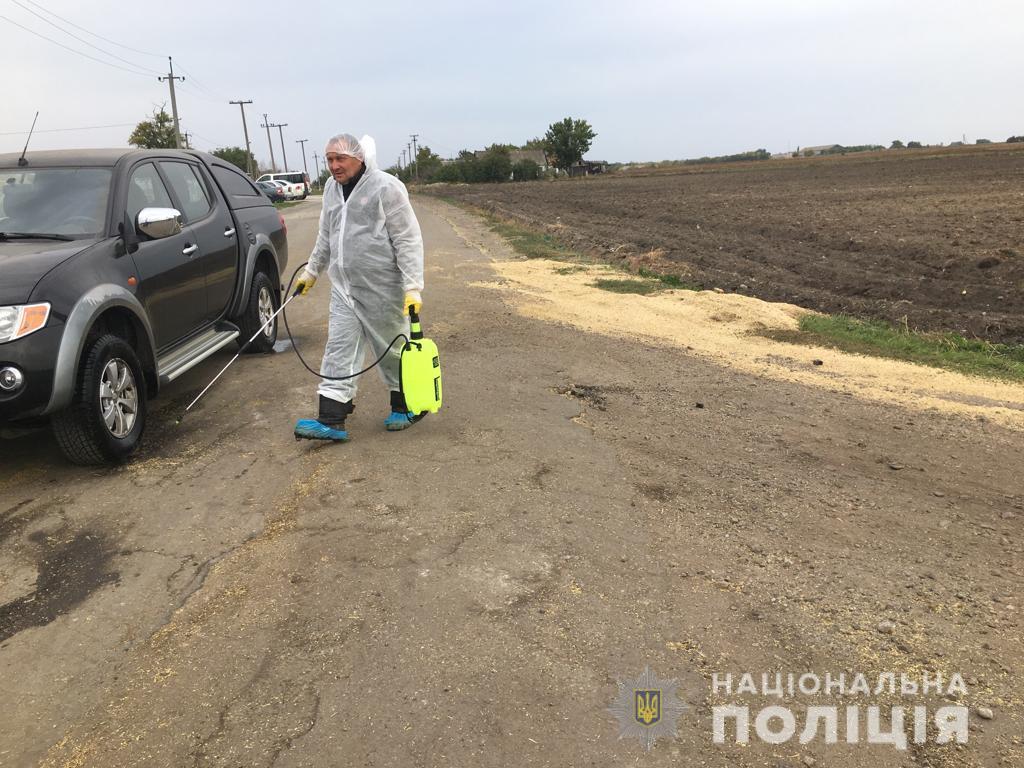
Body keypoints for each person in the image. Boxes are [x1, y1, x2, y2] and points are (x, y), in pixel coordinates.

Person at [292, 134, 424, 442]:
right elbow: (326, 233)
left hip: (382, 286)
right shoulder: (330, 189)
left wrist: (413, 287)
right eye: (329, 159)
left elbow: (407, 239)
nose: (334, 166)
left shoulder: (386, 187)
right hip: (344, 287)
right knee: (338, 347)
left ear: (359, 158)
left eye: (340, 159)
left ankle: (406, 406)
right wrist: (312, 270)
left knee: (391, 348)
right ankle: (331, 418)